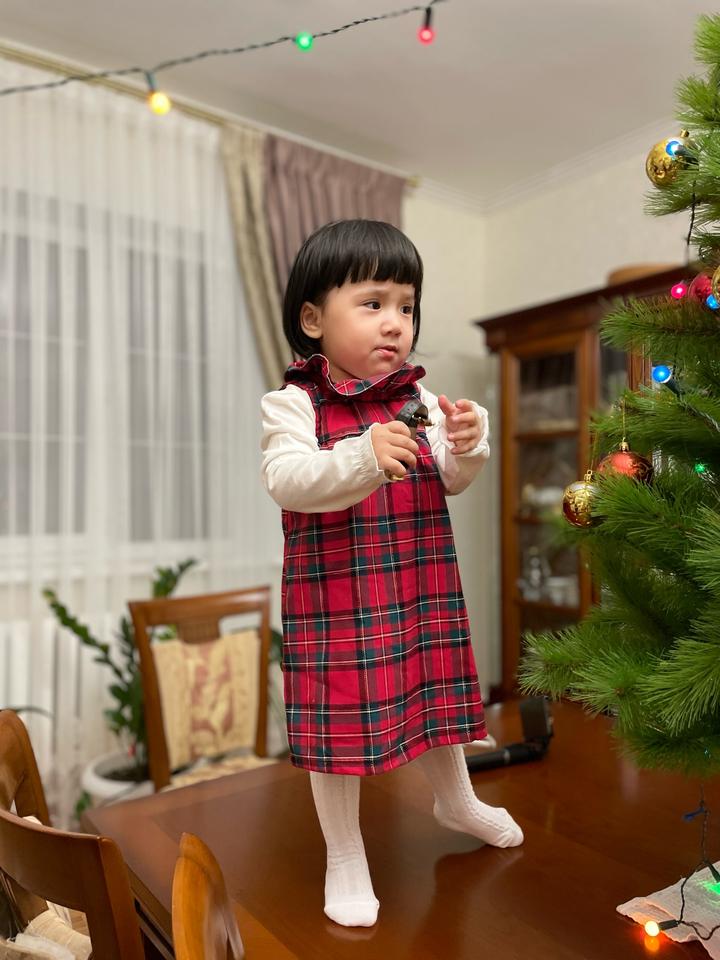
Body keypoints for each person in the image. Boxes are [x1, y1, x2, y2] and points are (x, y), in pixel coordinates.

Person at [261, 219, 523, 929]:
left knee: (434, 691)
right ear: (313, 319)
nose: (395, 322)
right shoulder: (294, 402)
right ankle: (345, 851)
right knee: (338, 719)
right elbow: (286, 479)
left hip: (416, 585)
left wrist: (468, 445)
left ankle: (457, 801)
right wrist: (363, 454)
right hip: (336, 597)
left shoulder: (418, 398)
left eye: (407, 306)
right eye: (373, 303)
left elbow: (451, 478)